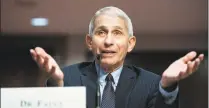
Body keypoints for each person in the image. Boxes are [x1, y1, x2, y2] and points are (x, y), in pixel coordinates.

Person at [30, 6, 204, 108]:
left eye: (117, 33)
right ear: (90, 41)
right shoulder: (68, 77)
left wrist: (167, 86)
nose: (108, 41)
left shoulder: (150, 84)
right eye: (101, 32)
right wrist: (57, 86)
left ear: (130, 43)